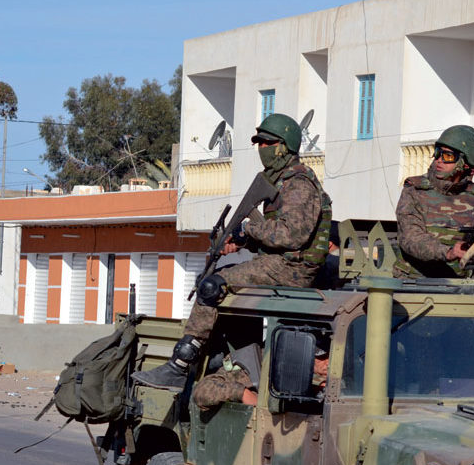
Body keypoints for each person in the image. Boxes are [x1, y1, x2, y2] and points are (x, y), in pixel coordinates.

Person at [132, 113, 333, 391]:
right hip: (281, 263)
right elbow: (277, 237)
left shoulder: (298, 183)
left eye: (267, 143)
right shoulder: (283, 182)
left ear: (284, 146)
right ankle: (237, 364)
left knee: (213, 287)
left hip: (293, 269)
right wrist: (242, 242)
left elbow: (291, 235)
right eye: (259, 143)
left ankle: (180, 365)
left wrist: (248, 230)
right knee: (217, 286)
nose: (261, 148)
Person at [393, 125, 474, 278]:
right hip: (414, 281)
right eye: (437, 153)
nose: (439, 160)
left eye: (448, 156)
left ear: (465, 164)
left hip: (458, 282)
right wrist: (448, 252)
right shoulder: (415, 190)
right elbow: (411, 238)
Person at [193, 348, 330, 410]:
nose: (329, 362)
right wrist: (243, 393)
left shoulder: (323, 374)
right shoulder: (261, 363)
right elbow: (202, 390)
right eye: (322, 357)